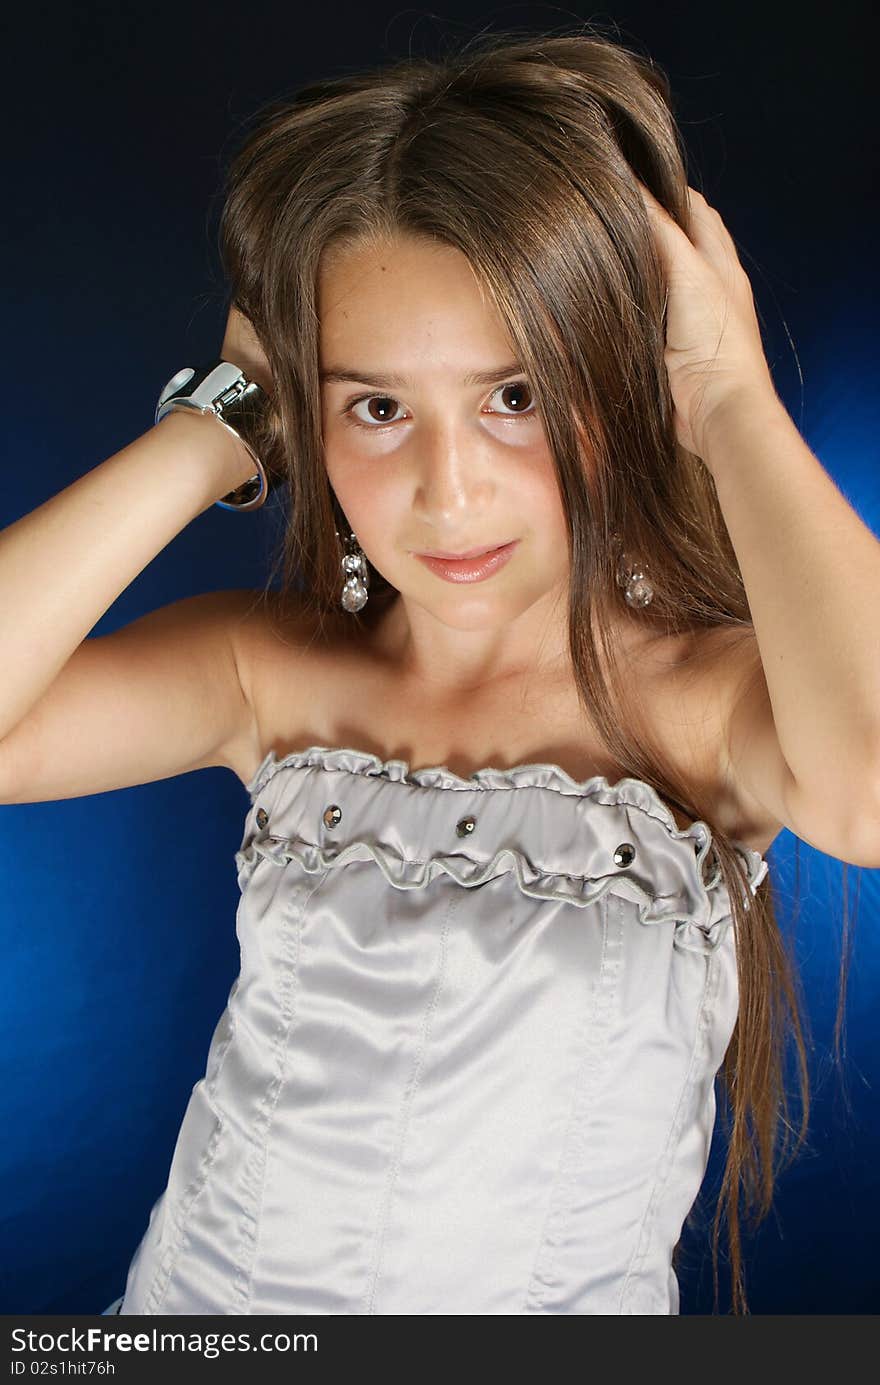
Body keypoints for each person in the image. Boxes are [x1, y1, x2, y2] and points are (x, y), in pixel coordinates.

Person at [6, 26, 878, 1318]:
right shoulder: (272, 673)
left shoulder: (714, 700)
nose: (446, 488)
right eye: (374, 406)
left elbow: (867, 798)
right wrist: (216, 427)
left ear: (628, 380)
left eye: (516, 395)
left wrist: (731, 395)